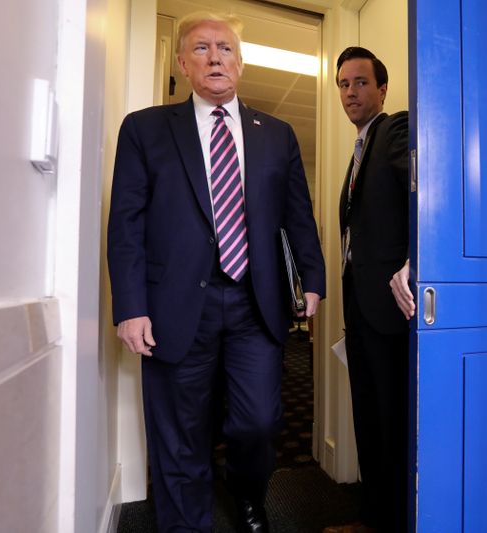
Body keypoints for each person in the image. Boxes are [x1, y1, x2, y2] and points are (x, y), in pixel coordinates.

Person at [107, 12, 325, 533]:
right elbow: (126, 223)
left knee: (259, 421)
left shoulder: (277, 134)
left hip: (257, 301)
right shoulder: (145, 129)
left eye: (224, 48)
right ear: (182, 63)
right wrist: (131, 306)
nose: (214, 57)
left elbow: (298, 214)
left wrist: (312, 280)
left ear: (240, 63)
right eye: (201, 48)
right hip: (175, 304)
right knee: (180, 429)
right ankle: (188, 523)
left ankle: (247, 491)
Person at [329, 46, 412, 533]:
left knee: (390, 425)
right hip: (359, 311)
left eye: (361, 82)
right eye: (343, 84)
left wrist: (417, 259)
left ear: (381, 89)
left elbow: (428, 191)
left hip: (390, 309)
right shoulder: (358, 151)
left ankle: (394, 521)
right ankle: (373, 518)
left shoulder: (394, 130)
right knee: (367, 421)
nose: (350, 92)